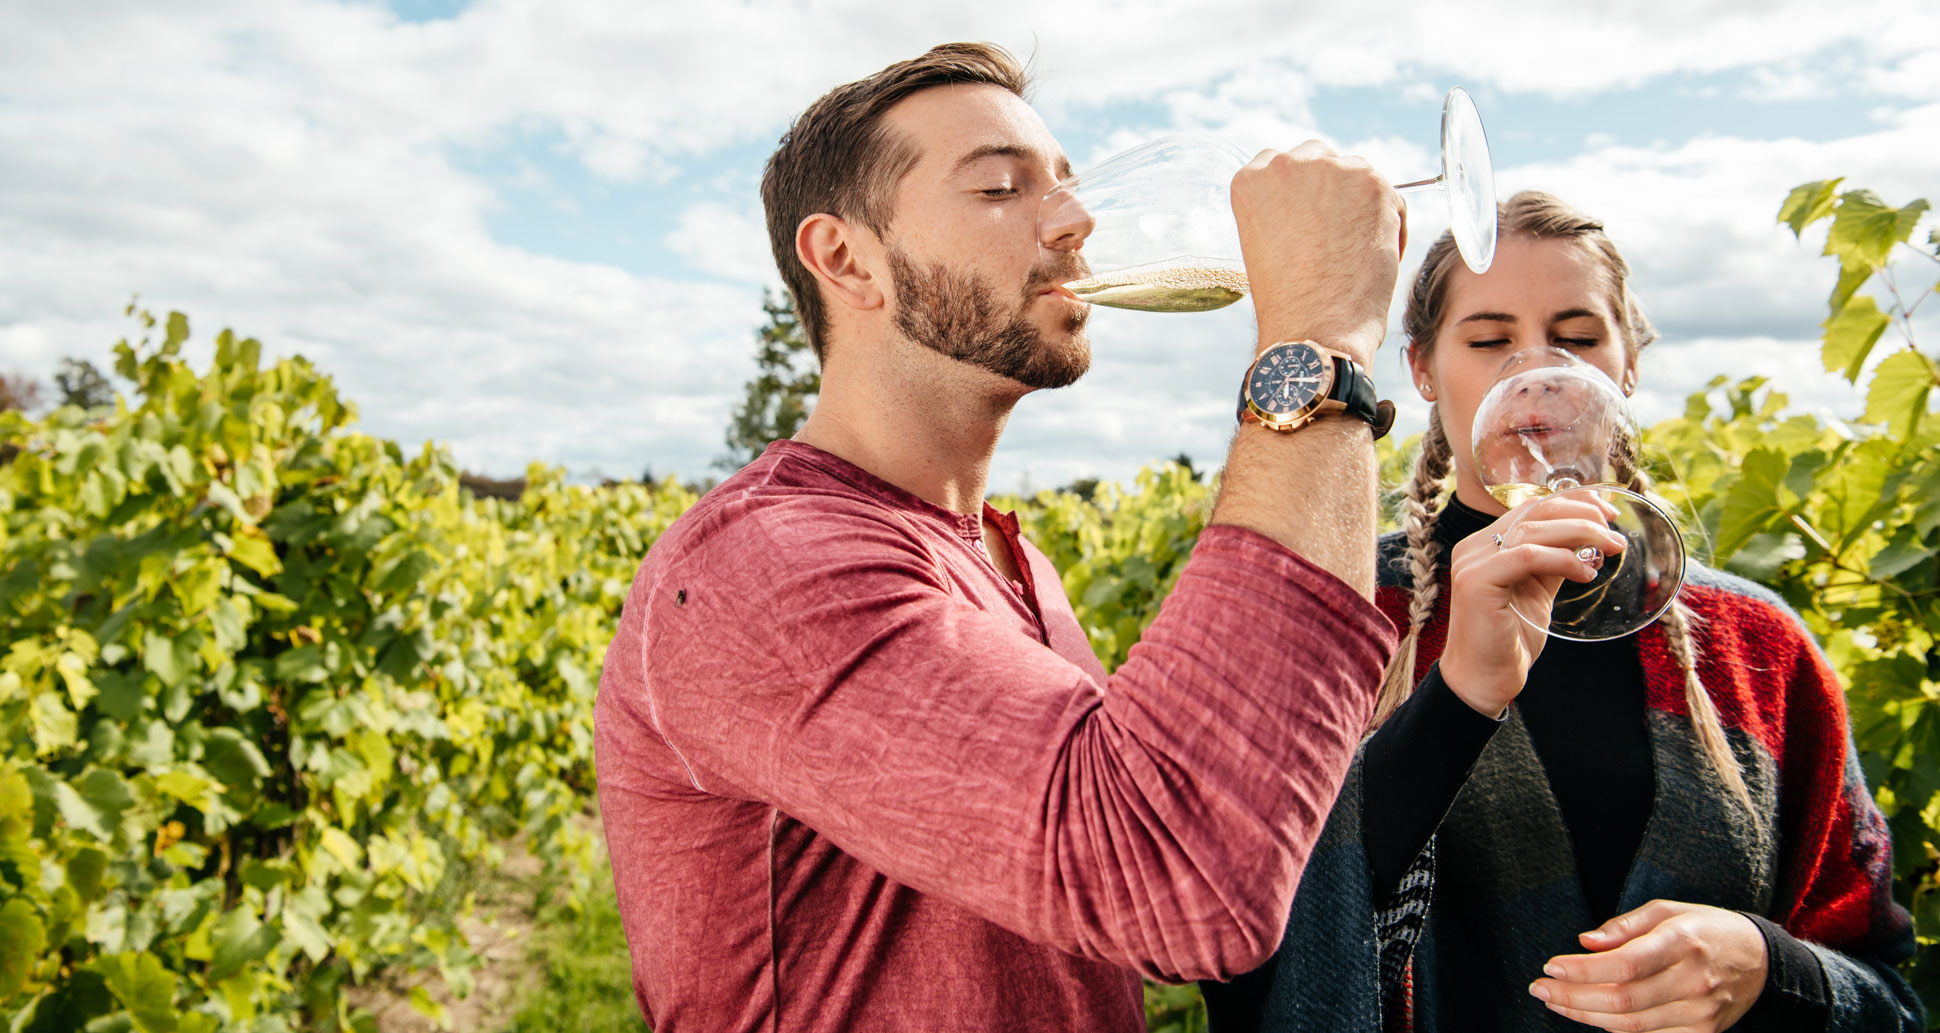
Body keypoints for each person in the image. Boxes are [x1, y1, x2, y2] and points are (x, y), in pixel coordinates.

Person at [594, 42, 1411, 1032]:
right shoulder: (758, 568)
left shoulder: (1009, 560)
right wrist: (1318, 333)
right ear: (846, 258)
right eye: (997, 187)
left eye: (1067, 185)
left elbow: (1106, 907)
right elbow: (1175, 875)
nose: (1074, 221)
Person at [1201, 191, 1923, 1032]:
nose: (1536, 373)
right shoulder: (1341, 615)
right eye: (1490, 339)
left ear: (1628, 366)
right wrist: (1457, 698)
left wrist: (1775, 969)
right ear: (1425, 368)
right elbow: (1238, 950)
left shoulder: (1758, 642)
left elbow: (1884, 989)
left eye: (1578, 338)